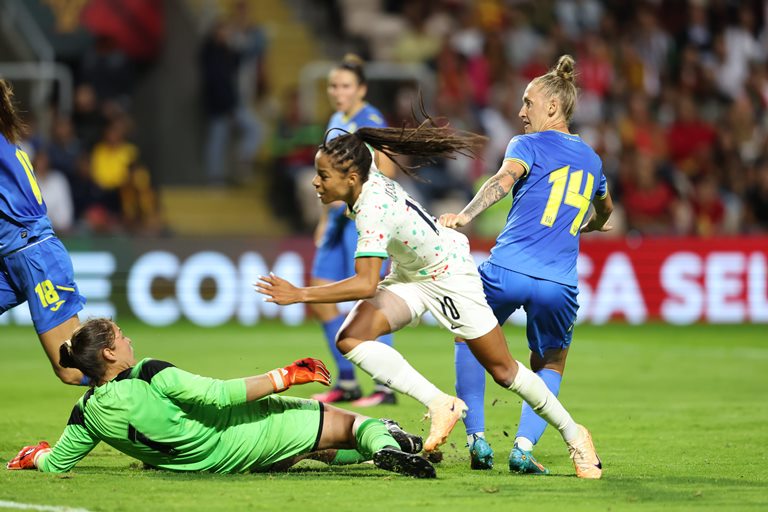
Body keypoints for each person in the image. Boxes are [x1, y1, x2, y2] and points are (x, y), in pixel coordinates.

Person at [256, 118, 603, 478]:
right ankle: (441, 404)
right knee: (351, 338)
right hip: (411, 272)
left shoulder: (372, 210)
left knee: (504, 372)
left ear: (352, 179)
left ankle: (575, 435)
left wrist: (300, 294)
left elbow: (364, 284)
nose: (315, 181)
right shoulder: (364, 170)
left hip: (448, 274)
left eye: (323, 175)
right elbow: (367, 155)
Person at [440, 55, 614, 473]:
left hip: (507, 270)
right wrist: (588, 227)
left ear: (553, 107)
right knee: (550, 364)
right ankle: (522, 448)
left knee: (469, 337)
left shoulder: (527, 145)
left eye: (527, 102)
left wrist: (465, 215)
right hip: (558, 283)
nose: (521, 112)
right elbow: (606, 210)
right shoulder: (593, 160)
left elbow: (503, 180)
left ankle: (477, 438)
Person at [7, 318, 434, 478]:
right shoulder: (149, 373)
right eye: (121, 335)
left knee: (314, 450)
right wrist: (283, 376)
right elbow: (218, 396)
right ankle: (385, 447)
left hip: (212, 464)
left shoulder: (86, 414)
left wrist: (35, 454)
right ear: (109, 353)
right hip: (245, 434)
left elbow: (58, 462)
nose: (128, 337)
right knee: (353, 424)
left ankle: (395, 443)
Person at [309, 54, 397, 407]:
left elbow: (387, 169)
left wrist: (365, 206)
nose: (338, 91)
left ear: (361, 89)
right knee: (321, 295)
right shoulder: (335, 119)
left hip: (360, 220)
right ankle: (346, 381)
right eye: (333, 85)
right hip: (335, 221)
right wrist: (322, 219)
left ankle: (385, 385)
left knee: (369, 299)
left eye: (345, 85)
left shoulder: (371, 120)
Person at [0, 79, 87, 385]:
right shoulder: (8, 140)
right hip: (12, 256)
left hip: (33, 254)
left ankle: (147, 386)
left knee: (73, 368)